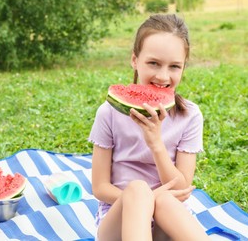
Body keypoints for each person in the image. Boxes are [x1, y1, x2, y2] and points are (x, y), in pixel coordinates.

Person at [89, 14, 209, 241]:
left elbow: (180, 187)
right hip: (119, 221)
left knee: (166, 200)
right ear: (134, 60)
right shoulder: (108, 112)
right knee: (137, 189)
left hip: (167, 218)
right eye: (153, 63)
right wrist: (145, 198)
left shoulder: (190, 115)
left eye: (174, 66)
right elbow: (100, 187)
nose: (163, 76)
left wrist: (156, 144)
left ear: (183, 67)